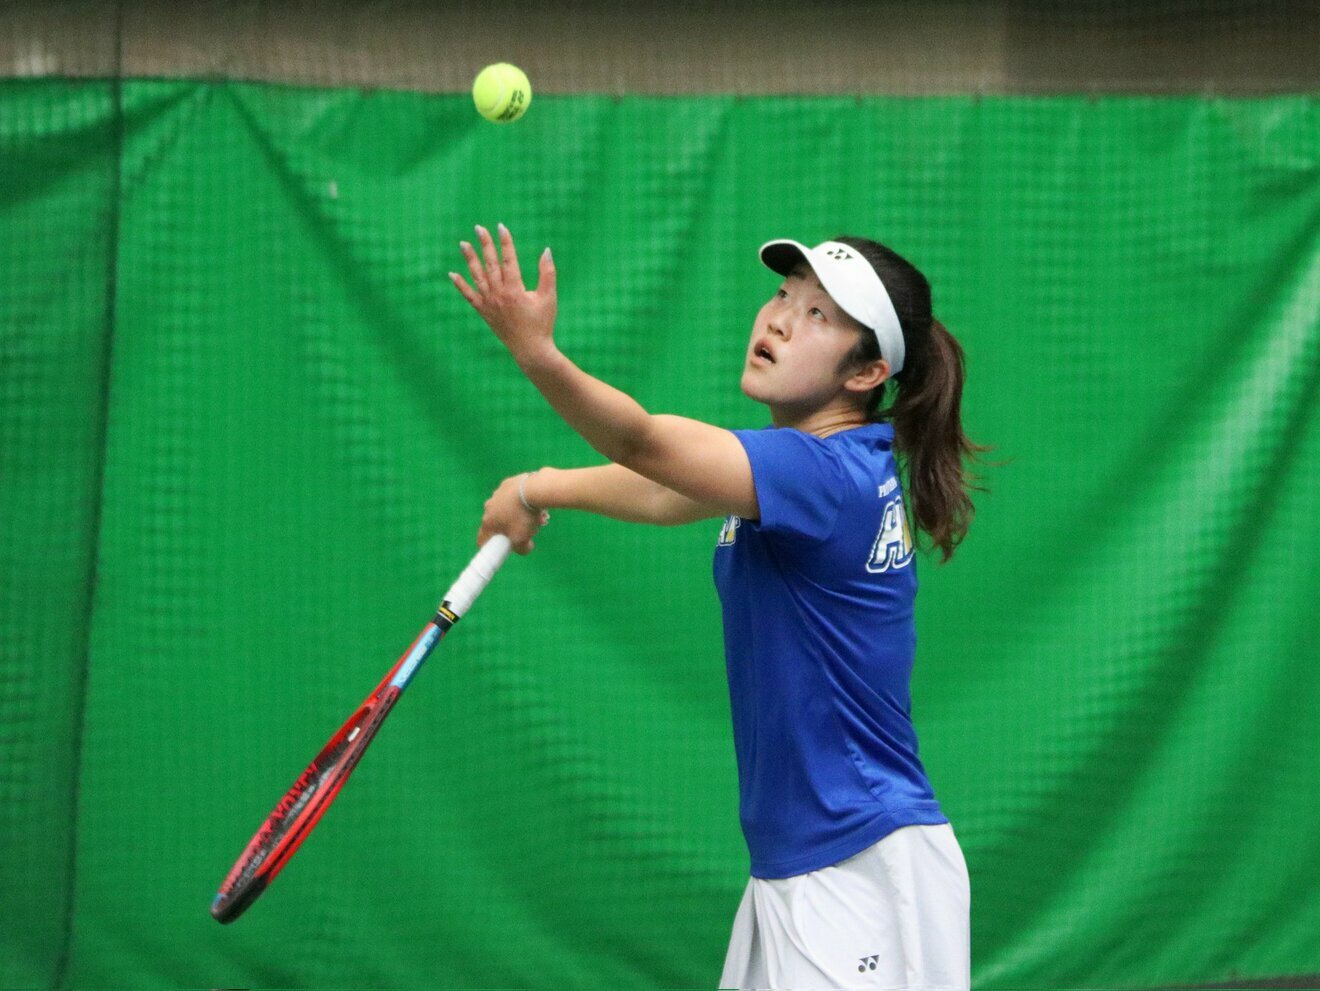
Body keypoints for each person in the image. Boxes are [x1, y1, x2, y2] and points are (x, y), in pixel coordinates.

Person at [450, 223, 984, 991]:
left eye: (818, 315)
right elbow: (666, 489)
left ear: (867, 372)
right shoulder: (808, 471)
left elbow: (644, 444)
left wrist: (538, 354)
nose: (778, 319)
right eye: (783, 295)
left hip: (859, 869)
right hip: (806, 864)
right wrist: (536, 489)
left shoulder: (821, 476)